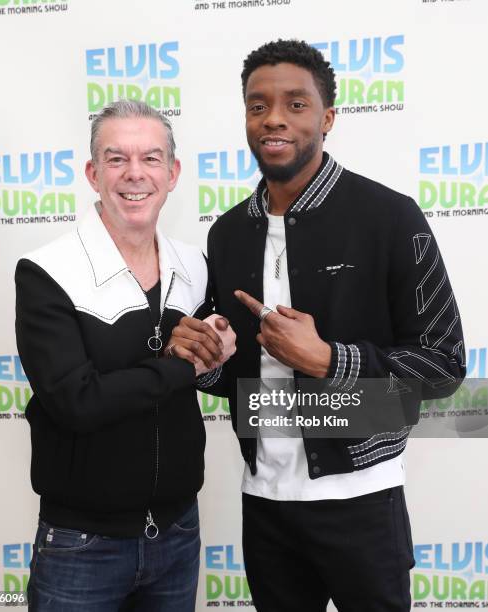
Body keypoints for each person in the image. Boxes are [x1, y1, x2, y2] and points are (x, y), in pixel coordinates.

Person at [169, 40, 466, 611]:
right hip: (264, 503)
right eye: (257, 106)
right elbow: (231, 381)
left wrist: (331, 361)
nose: (273, 118)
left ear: (327, 118)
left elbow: (445, 364)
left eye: (295, 104)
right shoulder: (227, 233)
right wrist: (206, 359)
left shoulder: (389, 216)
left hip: (362, 501)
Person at [15, 99, 235, 612]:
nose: (135, 174)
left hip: (178, 533)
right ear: (93, 174)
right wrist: (181, 366)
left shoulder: (194, 265)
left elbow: (209, 380)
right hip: (82, 545)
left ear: (173, 172)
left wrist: (219, 351)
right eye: (116, 159)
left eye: (151, 158)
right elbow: (76, 401)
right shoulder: (47, 271)